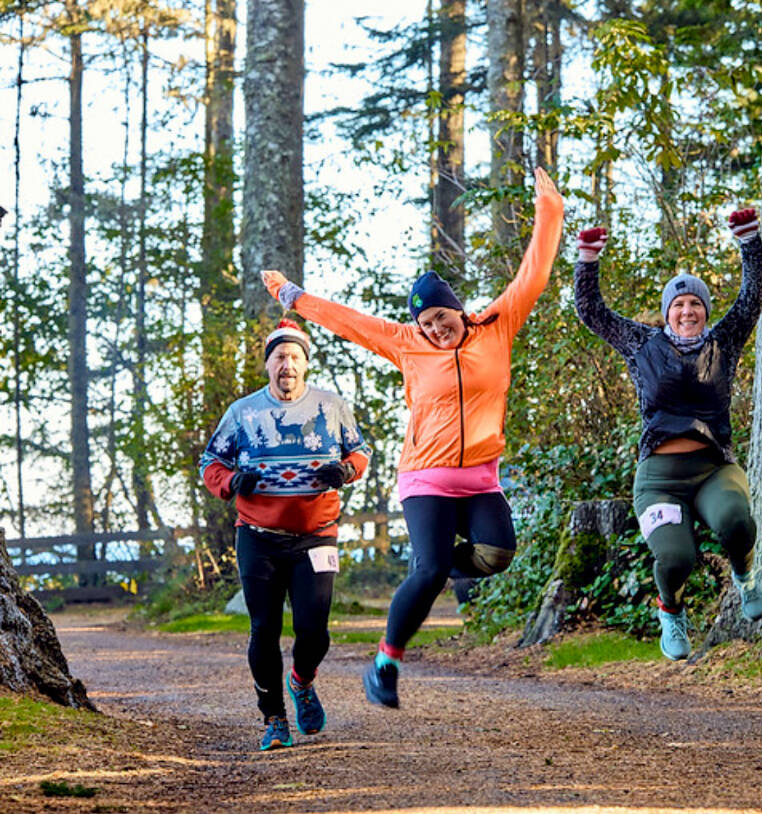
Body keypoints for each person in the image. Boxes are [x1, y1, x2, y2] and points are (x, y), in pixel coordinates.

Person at [261, 167, 564, 707]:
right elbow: (350, 322)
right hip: (425, 478)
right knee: (427, 571)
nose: (434, 329)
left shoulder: (497, 324)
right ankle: (385, 664)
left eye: (441, 318)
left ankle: (430, 558)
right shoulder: (406, 343)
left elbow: (533, 274)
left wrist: (550, 210)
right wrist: (294, 296)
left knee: (497, 554)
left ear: (458, 309)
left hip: (481, 479)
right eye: (425, 323)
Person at [573, 207, 762, 661]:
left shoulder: (724, 342)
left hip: (713, 469)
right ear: (666, 314)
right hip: (659, 478)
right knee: (676, 559)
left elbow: (752, 296)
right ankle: (671, 612)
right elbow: (591, 312)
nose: (687, 310)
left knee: (737, 522)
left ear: (705, 311)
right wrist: (587, 259)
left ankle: (745, 576)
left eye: (695, 303)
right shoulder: (642, 343)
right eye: (678, 305)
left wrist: (749, 240)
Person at [199, 319, 372, 750]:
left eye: (295, 357)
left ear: (306, 364)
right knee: (264, 628)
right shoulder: (242, 413)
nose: (287, 365)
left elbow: (360, 450)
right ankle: (274, 720)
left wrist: (347, 470)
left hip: (316, 535)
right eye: (279, 357)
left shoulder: (332, 406)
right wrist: (231, 483)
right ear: (267, 365)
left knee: (314, 631)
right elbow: (209, 463)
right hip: (258, 535)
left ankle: (303, 681)